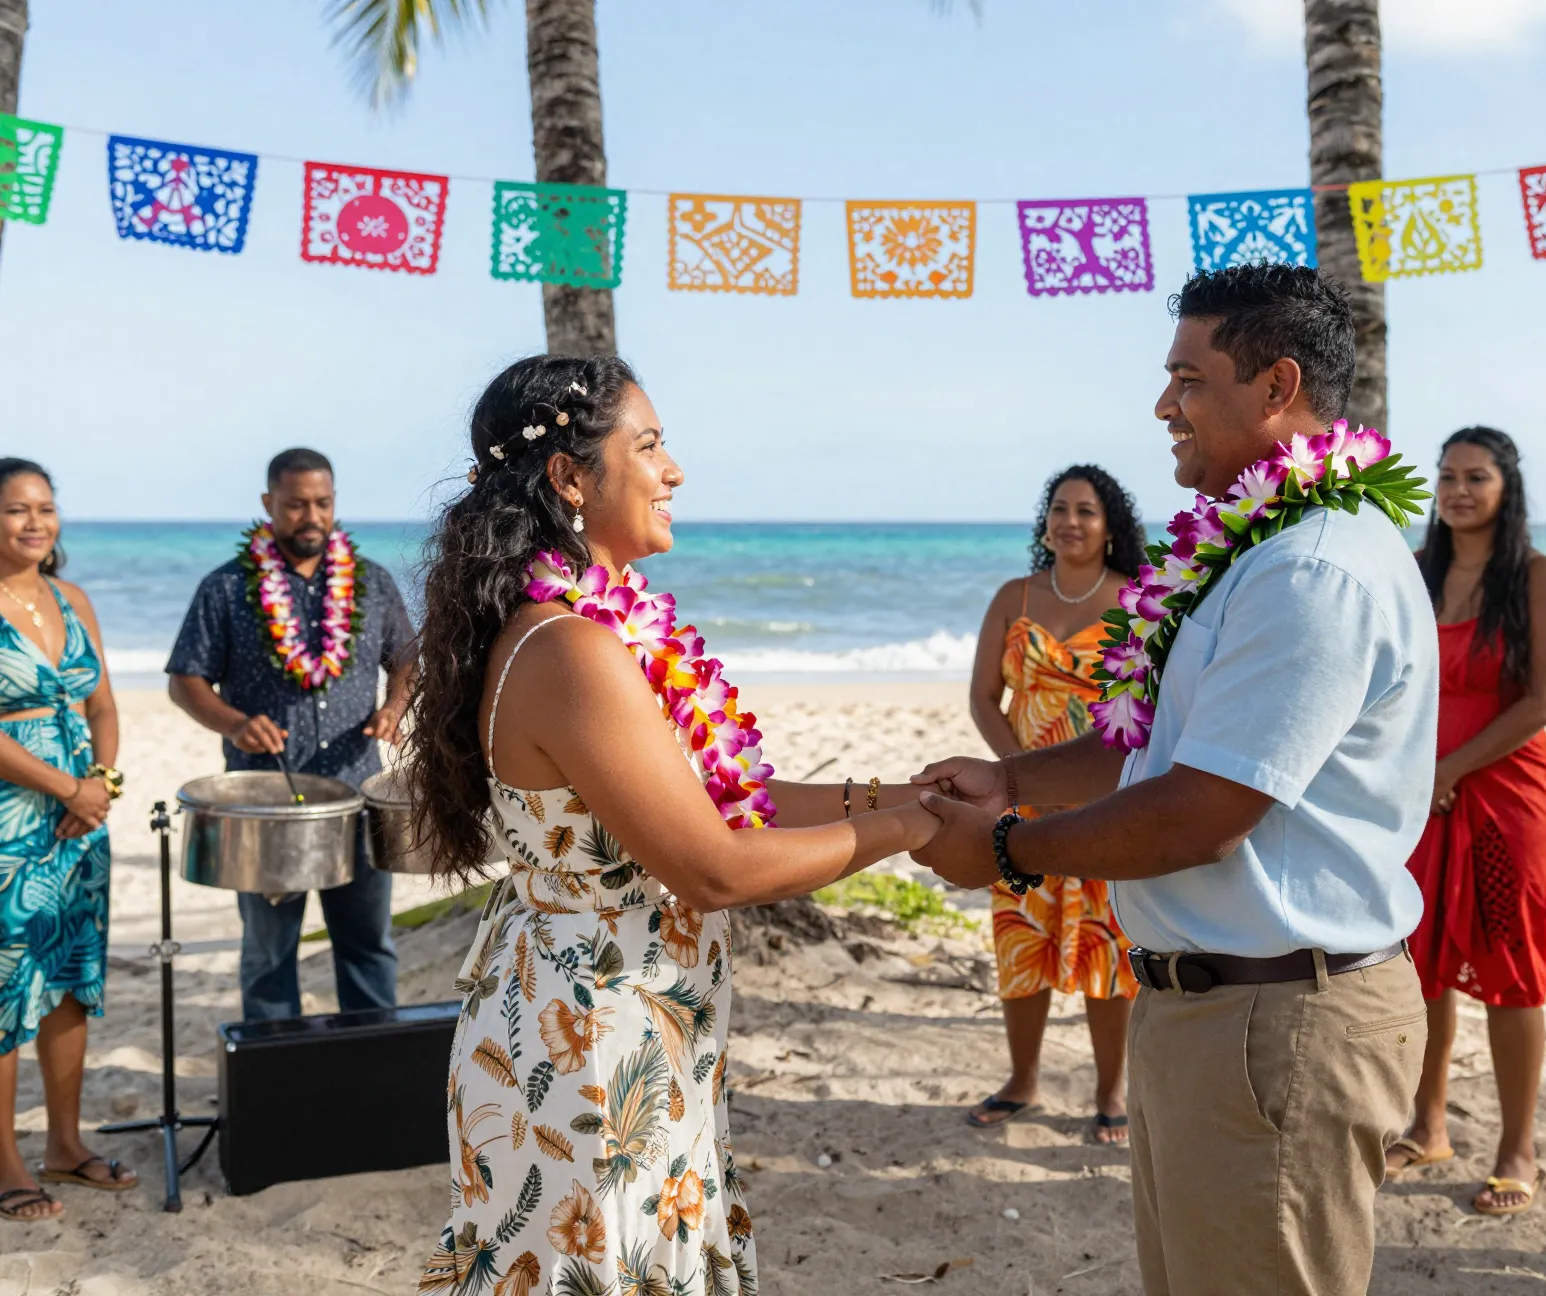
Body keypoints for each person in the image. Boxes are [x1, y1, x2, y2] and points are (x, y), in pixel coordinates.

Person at [911, 263, 1438, 1295]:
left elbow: (1205, 811)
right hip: (1213, 1012)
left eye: (1189, 380)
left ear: (1276, 387)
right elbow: (1148, 742)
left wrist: (1008, 853)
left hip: (1279, 1019)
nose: (1164, 406)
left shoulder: (1313, 567)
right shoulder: (1251, 549)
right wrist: (1007, 778)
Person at [406, 355, 939, 1295]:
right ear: (571, 478)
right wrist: (917, 832)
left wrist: (898, 794)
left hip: (632, 1018)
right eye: (648, 445)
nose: (675, 470)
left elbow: (730, 801)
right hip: (590, 1043)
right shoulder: (571, 648)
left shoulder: (597, 632)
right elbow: (716, 867)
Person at [1387, 427, 1546, 1216]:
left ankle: (1516, 1148)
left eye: (1476, 477)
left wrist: (1451, 772)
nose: (1458, 490)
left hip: (1503, 797)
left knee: (1513, 970)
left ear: (1507, 488)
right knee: (1420, 959)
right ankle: (1428, 1126)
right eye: (1447, 476)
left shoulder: (1538, 576)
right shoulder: (1416, 572)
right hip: (1417, 795)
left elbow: (1545, 700)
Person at [166, 449, 415, 1021]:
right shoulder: (226, 588)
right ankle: (276, 1085)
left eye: (323, 503)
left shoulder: (371, 582)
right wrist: (234, 723)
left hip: (356, 796)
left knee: (367, 946)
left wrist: (396, 707)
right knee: (268, 951)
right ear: (267, 504)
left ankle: (371, 1068)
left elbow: (407, 657)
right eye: (297, 504)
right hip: (266, 803)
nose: (312, 516)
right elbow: (186, 680)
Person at [965, 464, 1144, 1145]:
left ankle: (1109, 1092)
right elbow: (984, 696)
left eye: (1087, 511)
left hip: (1106, 799)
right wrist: (1018, 773)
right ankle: (1023, 1080)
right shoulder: (1016, 595)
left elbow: (1145, 708)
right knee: (1021, 940)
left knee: (1106, 945)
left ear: (1109, 527)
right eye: (1060, 509)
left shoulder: (1135, 600)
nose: (1070, 521)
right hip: (1021, 802)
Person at [0, 459, 135, 1223]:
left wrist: (102, 787)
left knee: (71, 979)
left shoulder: (71, 598)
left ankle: (62, 1143)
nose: (34, 522)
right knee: (5, 987)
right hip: (11, 821)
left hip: (81, 820)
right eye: (16, 510)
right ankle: (5, 1161)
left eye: (45, 508)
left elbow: (105, 707)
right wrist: (68, 789)